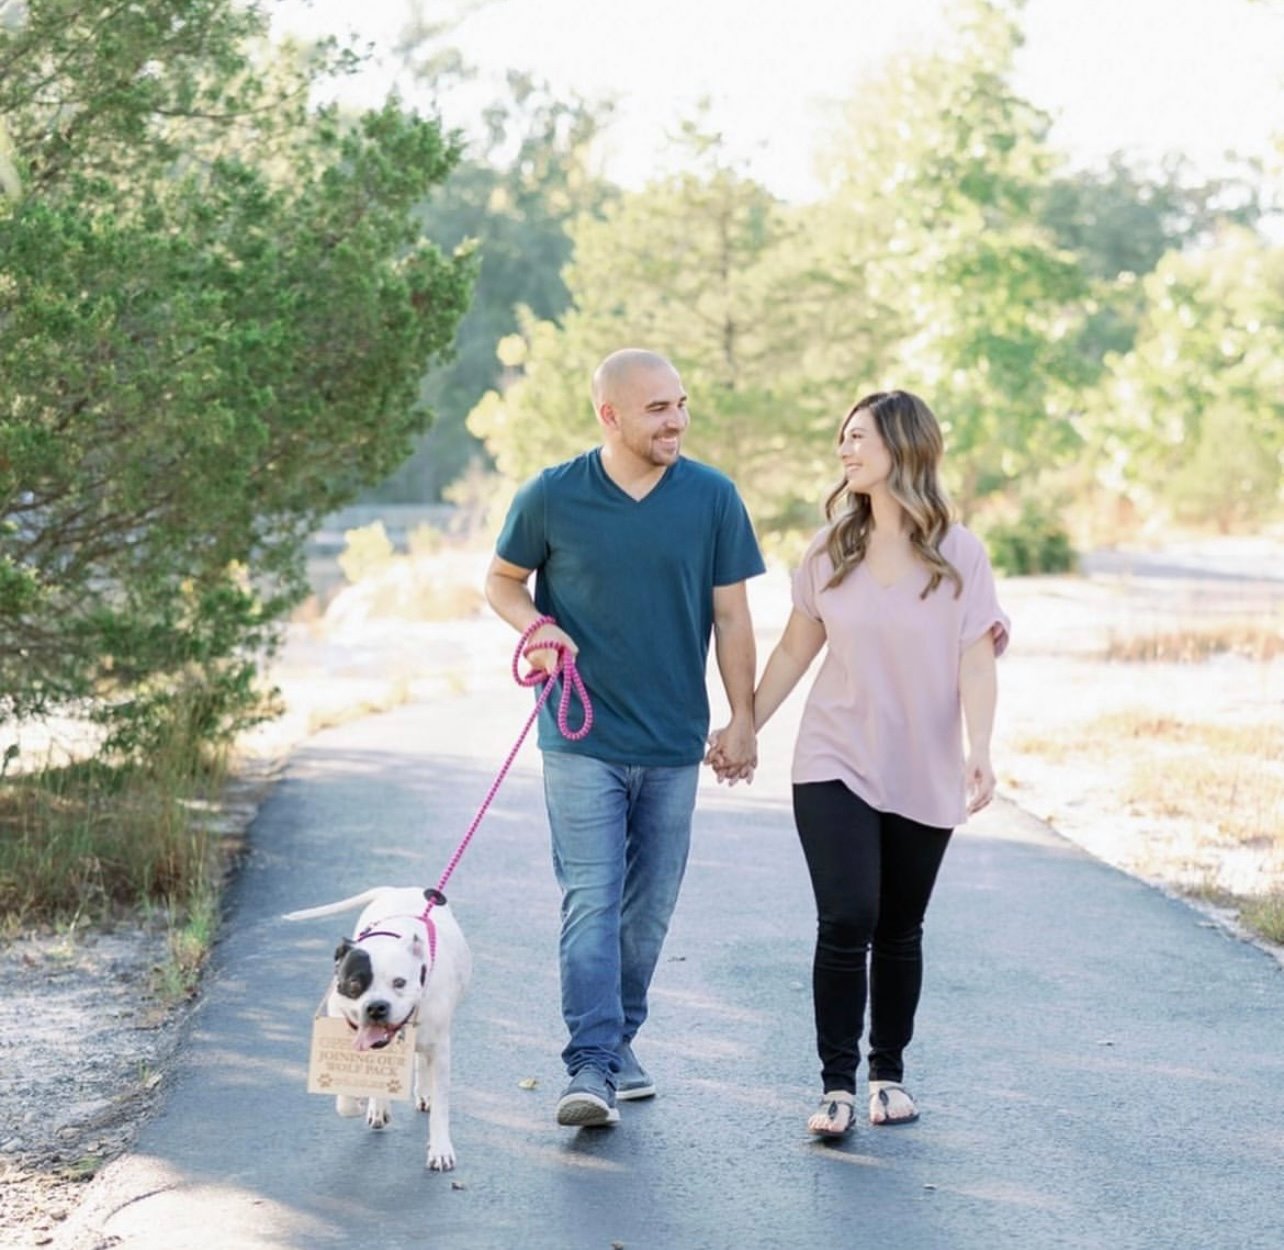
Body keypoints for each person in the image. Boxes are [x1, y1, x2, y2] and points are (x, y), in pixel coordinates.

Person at [708, 389, 1009, 1137]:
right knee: (846, 918)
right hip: (833, 757)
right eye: (841, 438)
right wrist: (744, 722)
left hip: (924, 764)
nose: (845, 450)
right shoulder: (828, 548)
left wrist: (981, 751)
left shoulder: (959, 554)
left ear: (903, 447)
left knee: (900, 928)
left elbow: (977, 661)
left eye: (859, 438)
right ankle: (836, 1085)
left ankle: (889, 1075)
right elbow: (793, 650)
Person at [485, 348, 765, 1128]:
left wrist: (741, 719)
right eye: (657, 408)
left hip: (673, 743)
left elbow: (734, 617)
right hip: (582, 739)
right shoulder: (551, 495)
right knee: (591, 900)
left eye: (681, 404)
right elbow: (501, 581)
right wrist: (537, 625)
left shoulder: (711, 497)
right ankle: (591, 1065)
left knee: (646, 914)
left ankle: (616, 1043)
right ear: (609, 415)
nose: (676, 419)